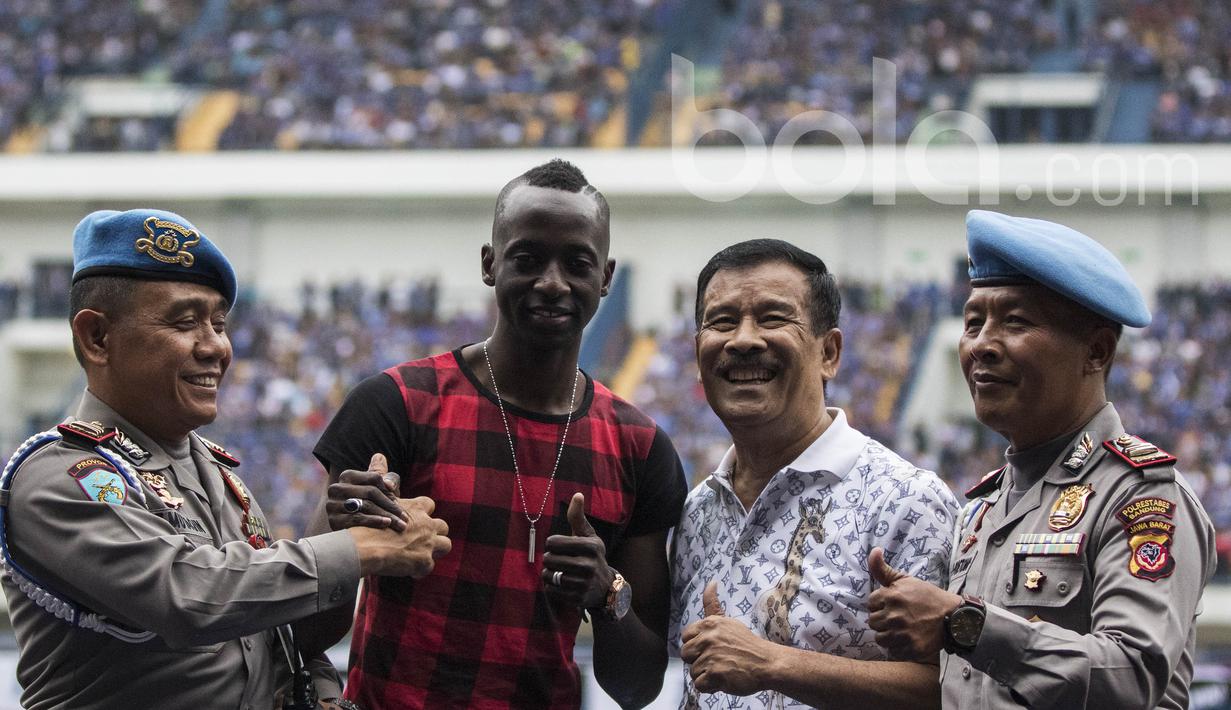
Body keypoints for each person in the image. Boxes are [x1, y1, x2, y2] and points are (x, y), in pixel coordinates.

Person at [0, 208, 452, 710]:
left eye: (219, 323)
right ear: (98, 338)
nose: (216, 347)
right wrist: (357, 549)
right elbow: (187, 595)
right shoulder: (60, 476)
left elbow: (278, 637)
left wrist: (323, 692)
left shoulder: (218, 476)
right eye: (185, 322)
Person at [308, 159, 689, 709]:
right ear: (491, 265)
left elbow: (637, 688)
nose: (553, 282)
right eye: (528, 258)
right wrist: (341, 541)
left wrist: (607, 594)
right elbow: (306, 633)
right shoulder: (396, 404)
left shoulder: (641, 448)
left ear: (605, 277)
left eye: (577, 263)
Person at [866, 211, 1216, 709]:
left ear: (1095, 351)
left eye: (1015, 321)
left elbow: (1131, 674)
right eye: (973, 322)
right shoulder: (984, 508)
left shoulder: (1140, 496)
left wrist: (960, 624)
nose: (982, 344)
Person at [671, 239, 959, 709]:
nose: (743, 339)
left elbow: (955, 688)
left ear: (829, 352)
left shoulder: (907, 501)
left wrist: (772, 664)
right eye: (722, 322)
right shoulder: (698, 509)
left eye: (772, 318)